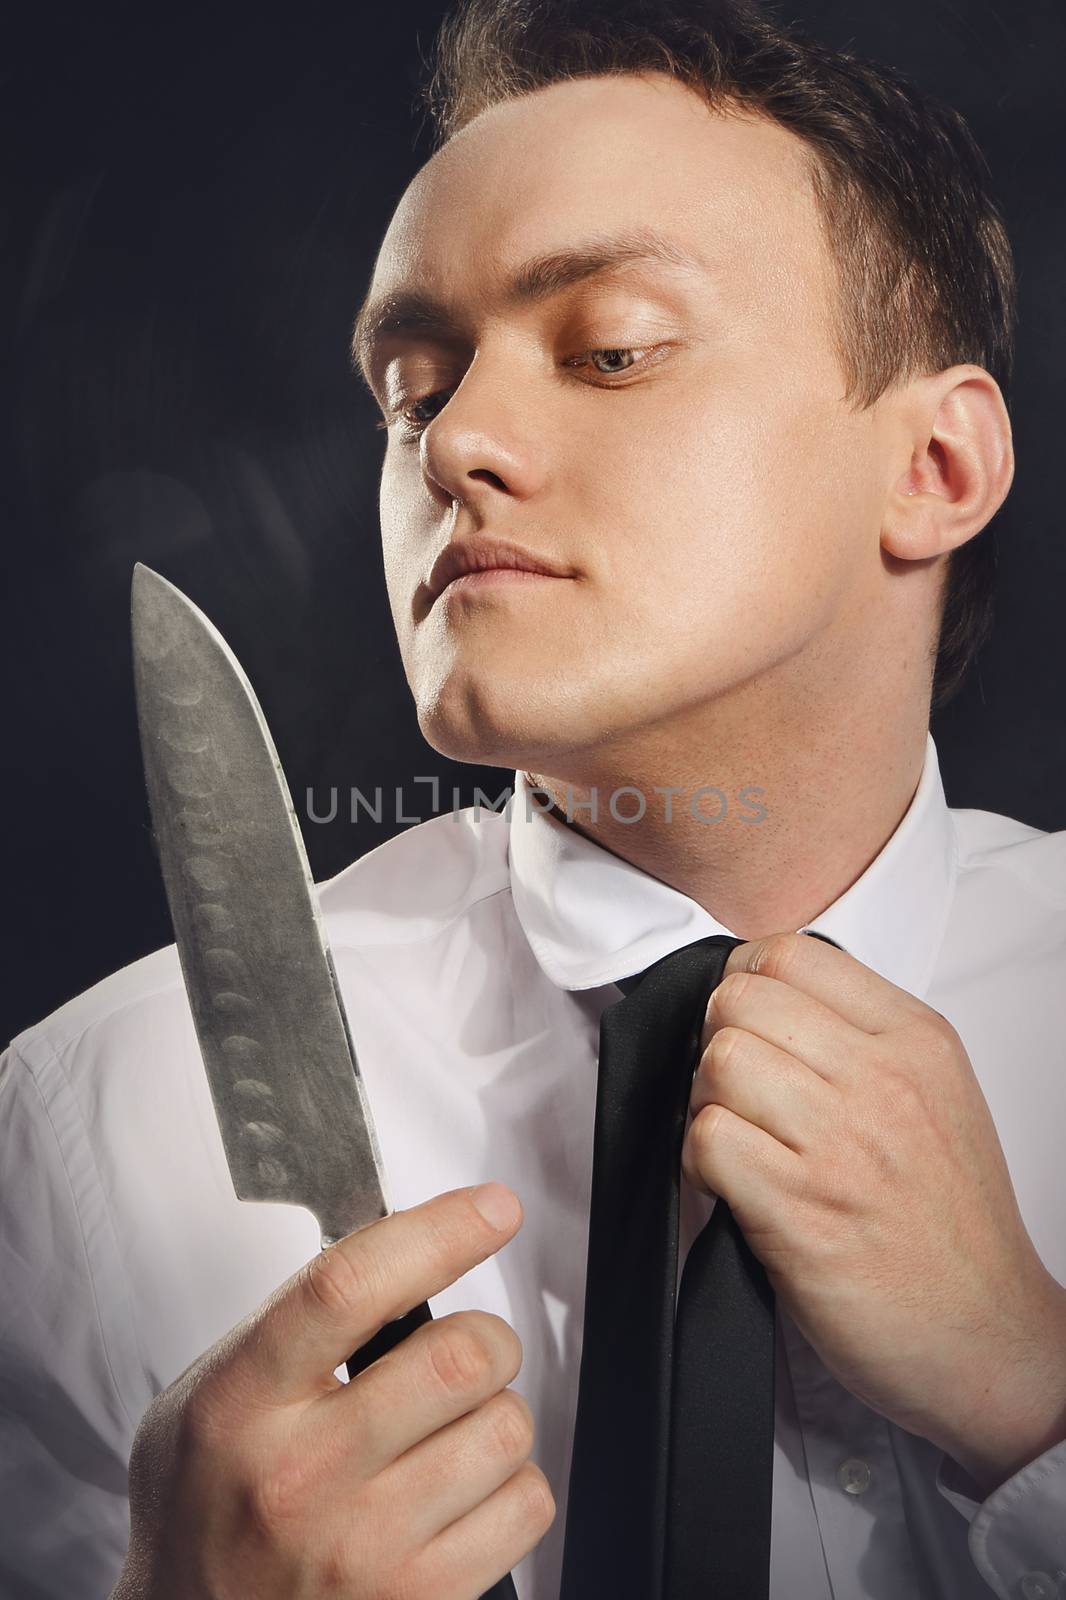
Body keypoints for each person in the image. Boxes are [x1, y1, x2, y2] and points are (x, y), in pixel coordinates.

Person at [2, 0, 1064, 1596]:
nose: (458, 444)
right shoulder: (101, 1121)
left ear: (935, 467)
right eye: (412, 388)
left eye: (611, 349)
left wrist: (1030, 1393)